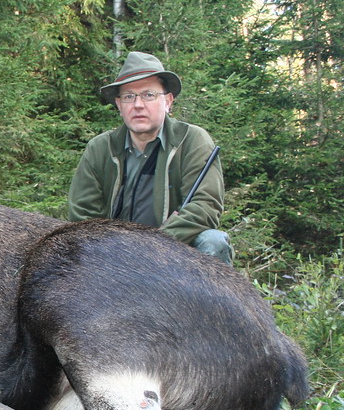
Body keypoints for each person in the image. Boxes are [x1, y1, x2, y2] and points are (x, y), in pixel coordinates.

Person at [67, 51, 234, 264]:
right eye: (129, 96)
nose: (138, 105)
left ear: (168, 101)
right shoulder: (100, 148)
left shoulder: (192, 140)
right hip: (115, 257)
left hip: (175, 251)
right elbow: (83, 215)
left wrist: (155, 246)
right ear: (119, 105)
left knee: (213, 242)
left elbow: (205, 207)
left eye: (148, 95)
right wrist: (117, 252)